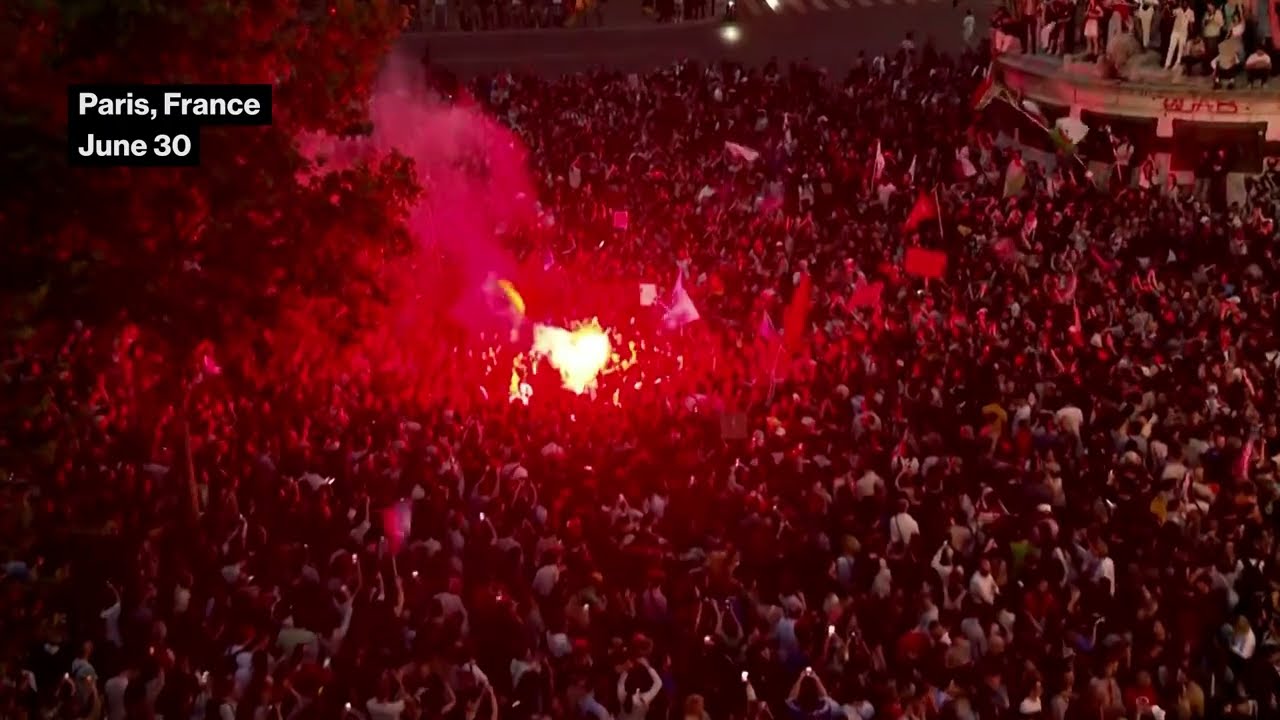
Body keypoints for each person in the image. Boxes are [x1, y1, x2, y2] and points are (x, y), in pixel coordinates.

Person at [1165, 1, 1195, 69]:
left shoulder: (1191, 12)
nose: (1184, 3)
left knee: (1180, 50)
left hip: (1184, 33)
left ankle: (1177, 63)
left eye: (1185, 2)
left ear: (1188, 3)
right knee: (1171, 48)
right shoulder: (1178, 10)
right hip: (1175, 31)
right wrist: (1168, 8)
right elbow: (1171, 16)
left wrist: (1191, 34)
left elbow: (1191, 24)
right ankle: (1167, 64)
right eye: (1183, 2)